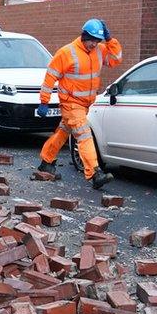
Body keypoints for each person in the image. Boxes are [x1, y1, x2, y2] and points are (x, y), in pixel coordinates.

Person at [36, 18, 122, 189]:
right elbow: (50, 77)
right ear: (84, 36)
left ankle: (46, 161)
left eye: (97, 41)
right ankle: (94, 173)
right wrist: (44, 101)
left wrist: (110, 40)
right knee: (84, 134)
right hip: (70, 103)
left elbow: (116, 59)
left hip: (85, 104)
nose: (93, 44)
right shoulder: (67, 52)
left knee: (62, 132)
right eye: (91, 40)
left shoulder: (100, 50)